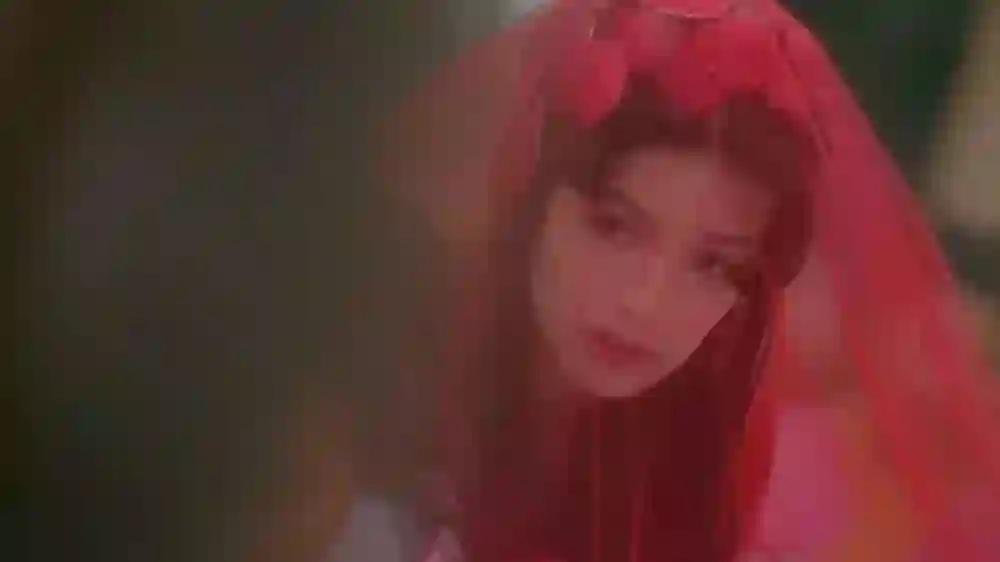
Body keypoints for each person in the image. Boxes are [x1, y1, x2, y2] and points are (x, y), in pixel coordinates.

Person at [333, 1, 1000, 561]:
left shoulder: (702, 478)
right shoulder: (354, 415)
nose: (645, 301)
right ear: (533, 199)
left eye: (715, 264)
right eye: (614, 226)